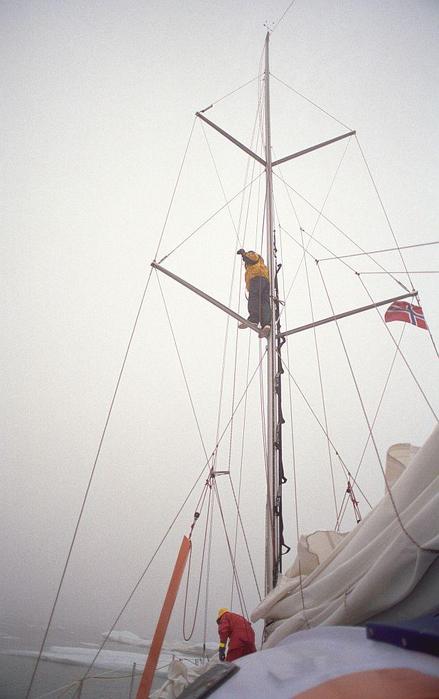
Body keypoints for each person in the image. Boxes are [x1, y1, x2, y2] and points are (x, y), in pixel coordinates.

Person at [237, 249, 271, 337]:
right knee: (264, 303)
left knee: (254, 298)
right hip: (265, 281)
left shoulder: (253, 256)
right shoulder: (262, 266)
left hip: (257, 278)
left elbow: (253, 258)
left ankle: (254, 319)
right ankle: (266, 324)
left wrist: (244, 254)